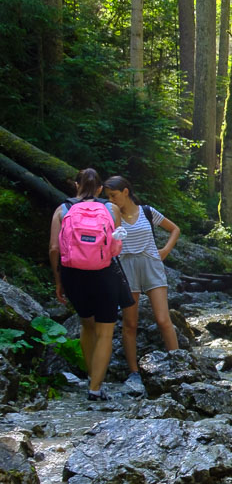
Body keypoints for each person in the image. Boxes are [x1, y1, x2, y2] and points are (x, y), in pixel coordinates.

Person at [48, 168, 135, 401]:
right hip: (104, 274)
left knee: (87, 325)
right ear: (99, 189)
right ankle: (95, 388)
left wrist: (59, 281)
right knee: (105, 332)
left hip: (72, 274)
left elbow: (54, 249)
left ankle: (90, 374)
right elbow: (116, 245)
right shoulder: (111, 208)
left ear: (76, 185)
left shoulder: (62, 209)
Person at [103, 176, 181, 395]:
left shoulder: (147, 211)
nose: (111, 200)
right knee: (130, 323)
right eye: (108, 196)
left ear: (126, 192)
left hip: (151, 266)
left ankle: (179, 363)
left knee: (163, 319)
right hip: (126, 269)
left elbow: (175, 229)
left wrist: (164, 251)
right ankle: (134, 372)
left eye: (113, 195)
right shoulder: (111, 215)